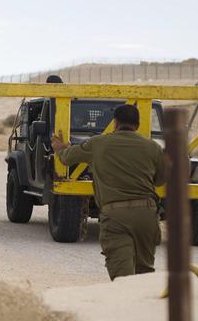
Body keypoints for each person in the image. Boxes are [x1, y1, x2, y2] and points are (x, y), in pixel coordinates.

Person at [50, 103, 166, 280]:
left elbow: (67, 158)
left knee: (123, 280)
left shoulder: (98, 144)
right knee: (145, 278)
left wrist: (60, 148)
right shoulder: (153, 147)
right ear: (138, 125)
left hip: (115, 216)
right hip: (146, 215)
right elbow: (160, 180)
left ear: (115, 123)